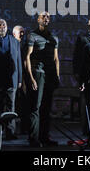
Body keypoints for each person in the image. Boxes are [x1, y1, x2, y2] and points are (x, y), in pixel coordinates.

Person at [25, 12, 60, 147]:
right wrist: (31, 78)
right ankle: (33, 138)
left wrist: (57, 76)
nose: (46, 18)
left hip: (50, 75)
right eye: (43, 16)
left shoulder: (54, 38)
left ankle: (44, 137)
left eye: (48, 17)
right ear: (38, 19)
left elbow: (56, 59)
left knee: (46, 107)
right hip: (38, 73)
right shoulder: (32, 36)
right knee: (36, 107)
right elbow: (27, 56)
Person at [72, 17, 90, 135]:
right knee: (85, 103)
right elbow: (76, 56)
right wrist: (77, 73)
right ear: (88, 25)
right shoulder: (82, 38)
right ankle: (86, 129)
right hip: (85, 75)